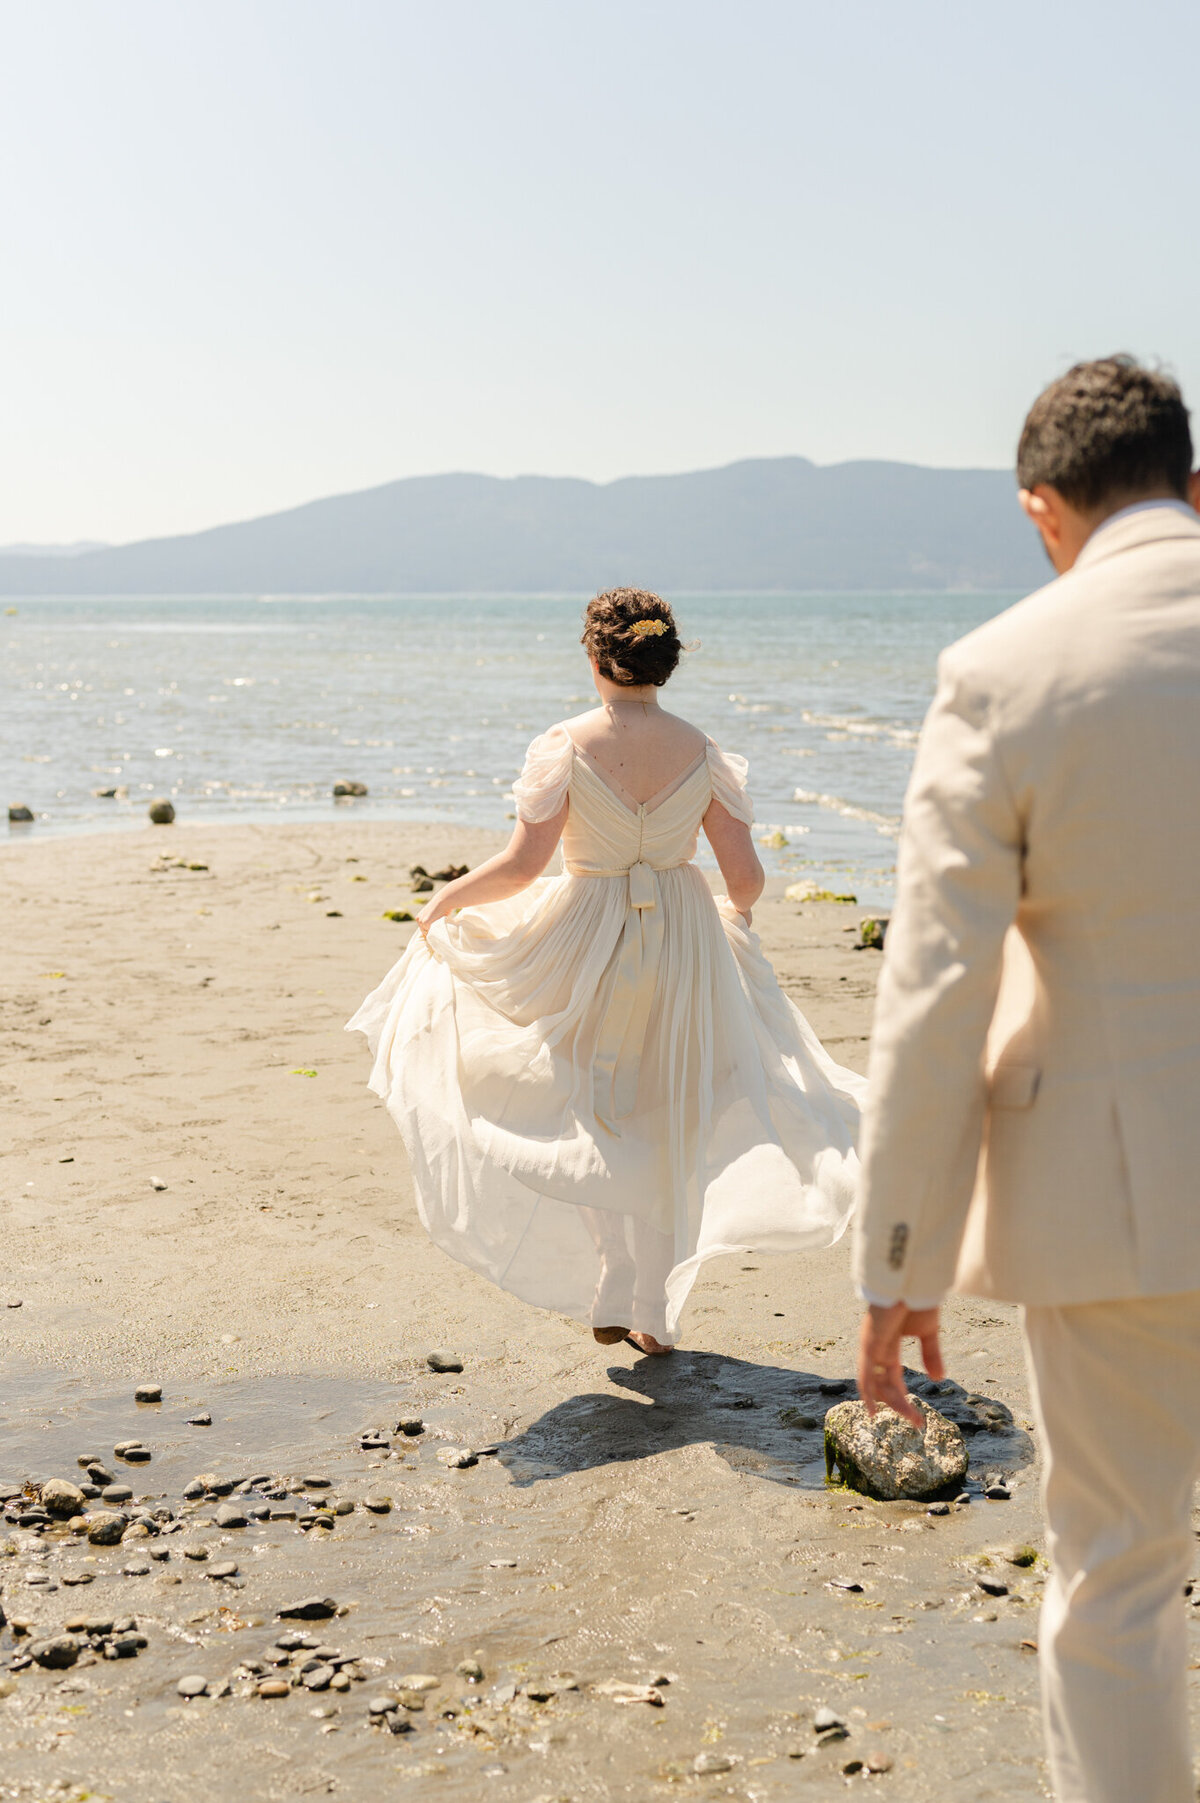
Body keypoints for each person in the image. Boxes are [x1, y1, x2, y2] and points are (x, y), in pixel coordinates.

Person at [853, 357, 1200, 1803]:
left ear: (1042, 511)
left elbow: (938, 994)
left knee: (1118, 1574)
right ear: (1194, 482)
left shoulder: (1005, 673)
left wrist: (902, 1258)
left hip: (1124, 1196)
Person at [349, 587, 865, 1355]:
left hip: (586, 934)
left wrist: (447, 899)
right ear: (667, 662)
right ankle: (654, 1304)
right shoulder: (703, 751)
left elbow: (524, 865)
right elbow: (747, 877)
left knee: (589, 1101)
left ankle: (611, 1263)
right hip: (684, 937)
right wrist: (732, 913)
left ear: (595, 658)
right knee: (669, 1114)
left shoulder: (565, 745)